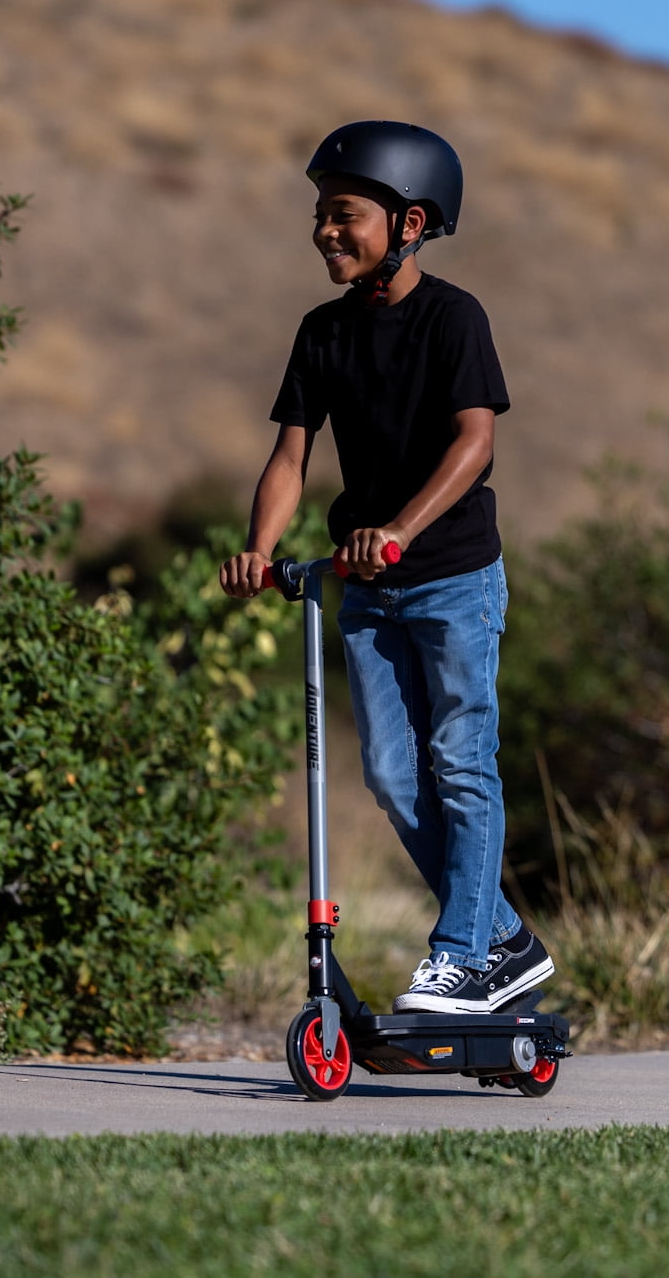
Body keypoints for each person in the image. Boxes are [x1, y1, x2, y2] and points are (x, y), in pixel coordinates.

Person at [218, 120, 553, 1015]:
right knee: (393, 778)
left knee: (460, 760)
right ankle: (505, 938)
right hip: (365, 587)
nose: (326, 230)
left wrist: (399, 526)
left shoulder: (454, 317)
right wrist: (259, 549)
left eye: (345, 214)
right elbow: (290, 456)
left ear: (409, 222)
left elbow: (473, 442)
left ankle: (462, 954)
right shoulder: (321, 333)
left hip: (452, 577)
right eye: (320, 214)